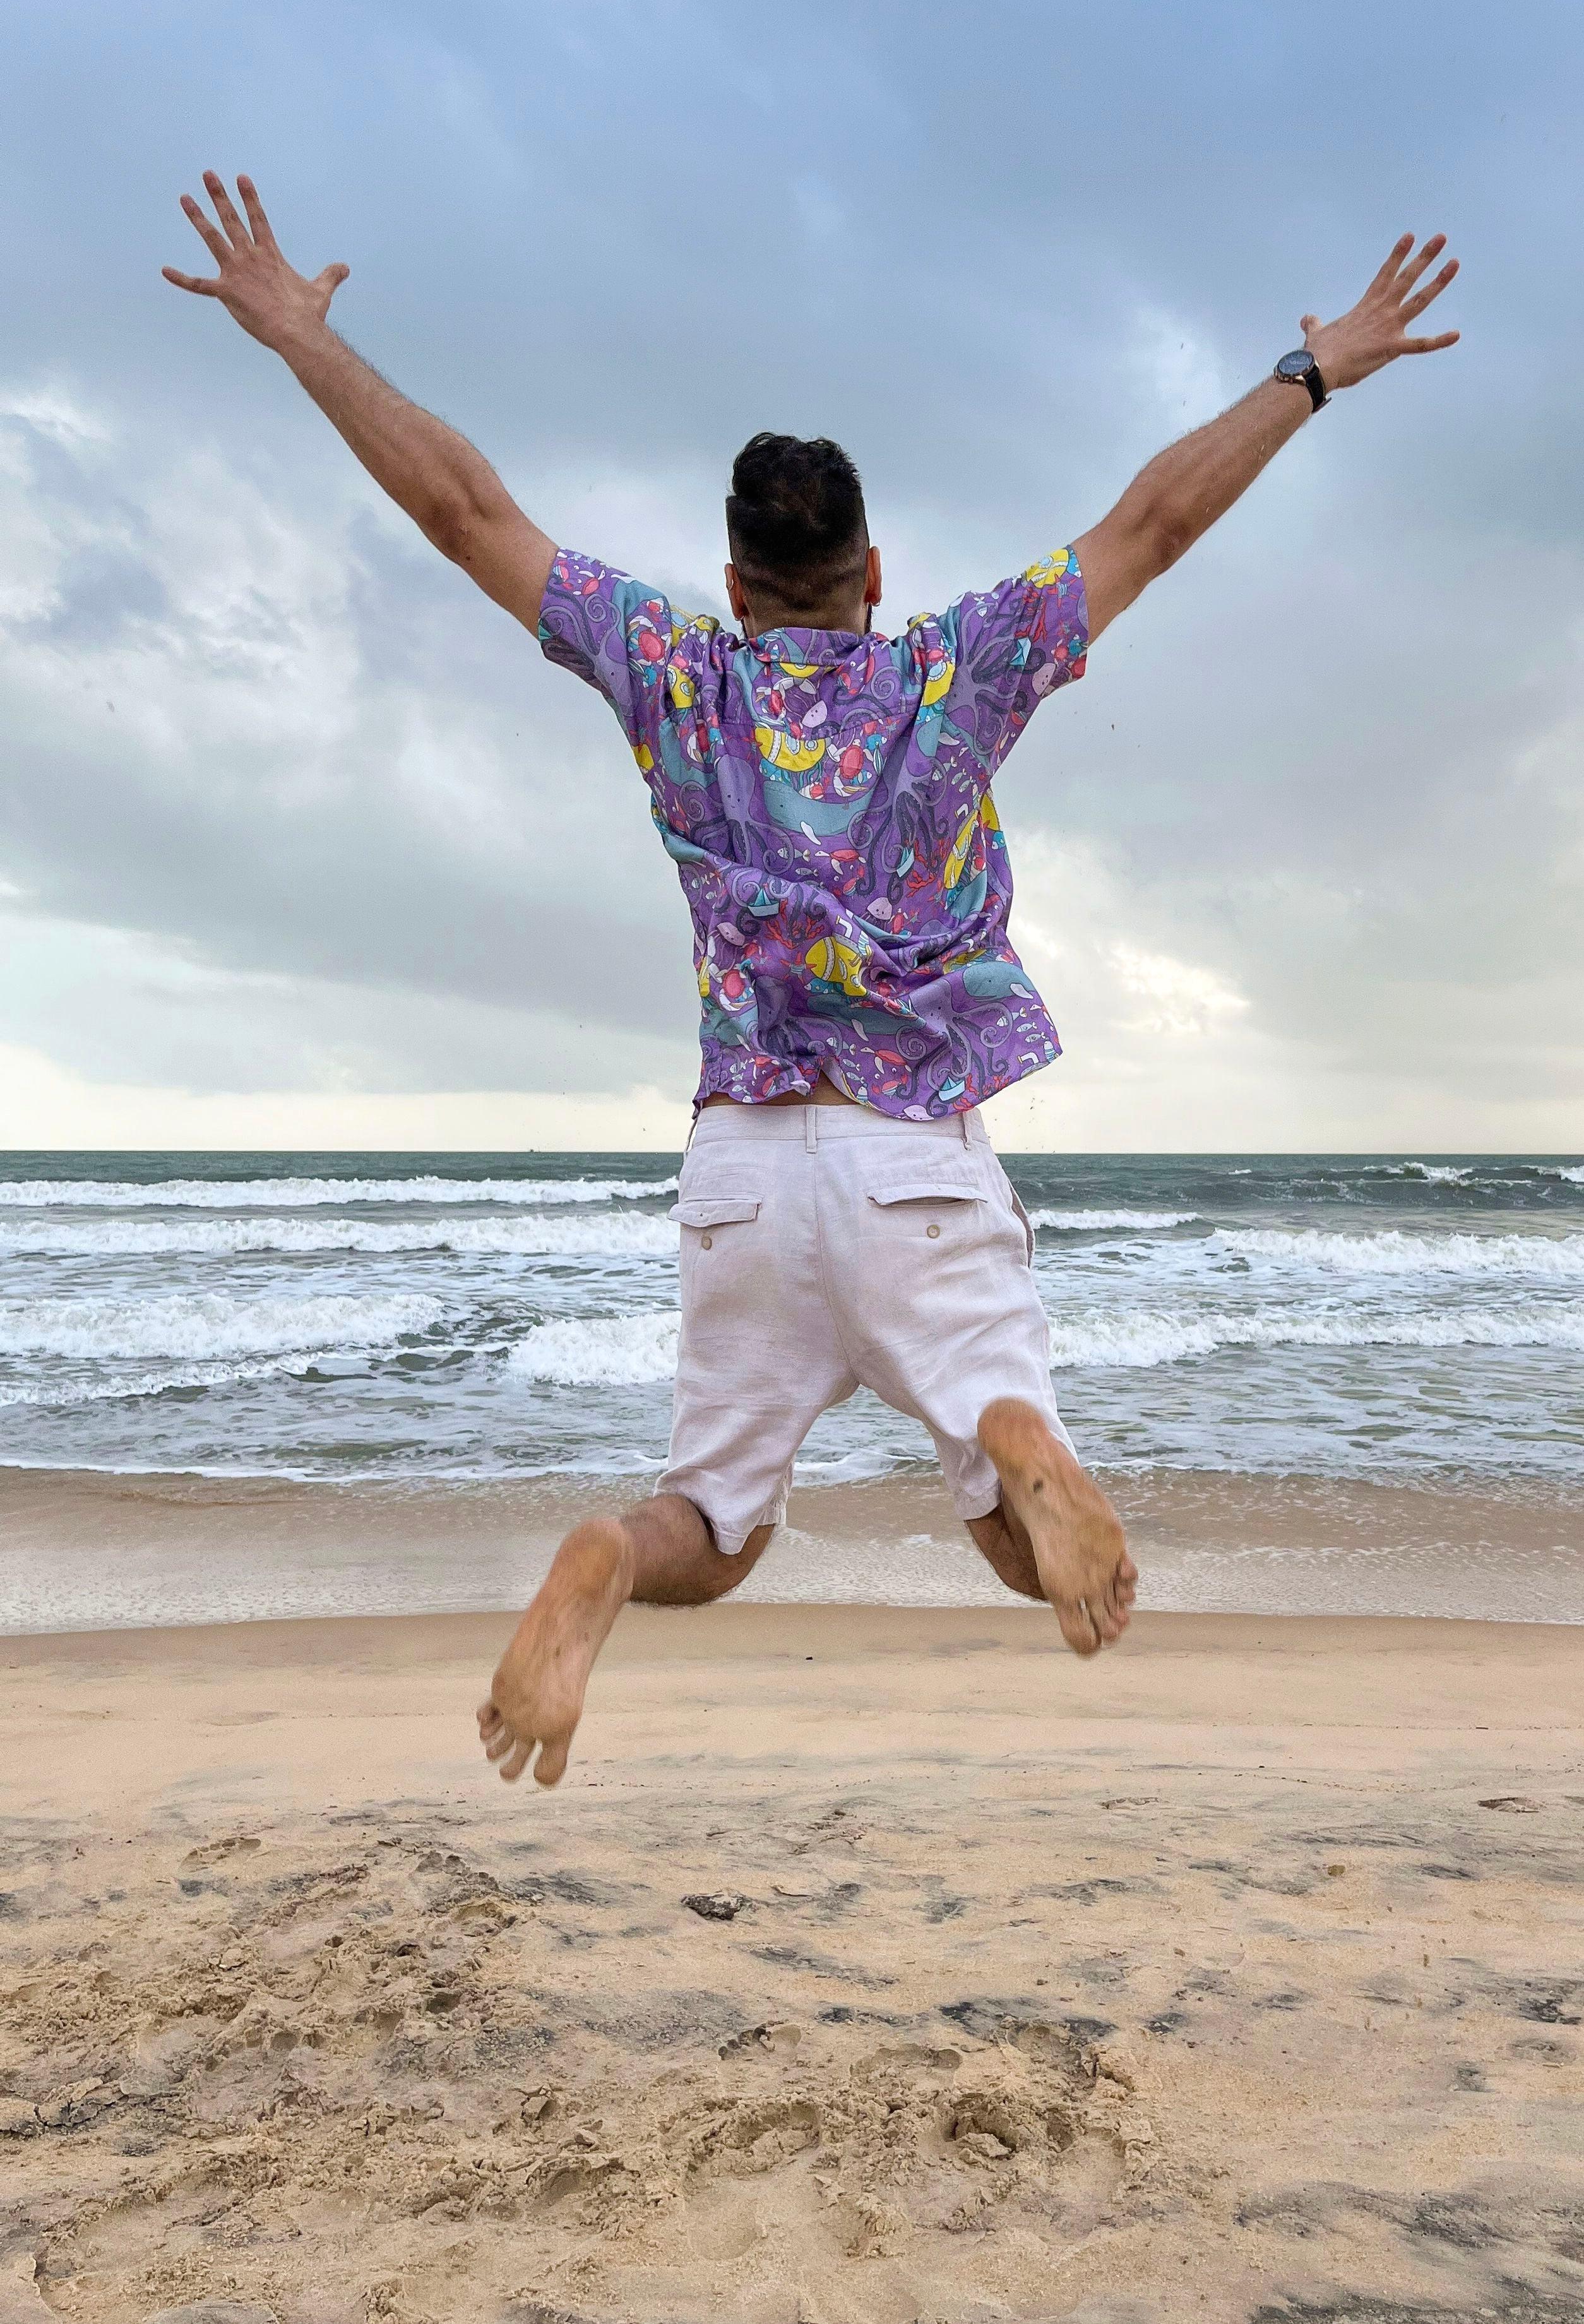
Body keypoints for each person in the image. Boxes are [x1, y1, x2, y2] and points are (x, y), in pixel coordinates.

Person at [165, 177, 1460, 1786]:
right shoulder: (952, 666)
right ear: (869, 568)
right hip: (912, 1158)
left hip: (742, 1177)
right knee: (1009, 1538)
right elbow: (1154, 524)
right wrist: (1310, 369)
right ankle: (1010, 1444)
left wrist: (301, 339)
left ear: (733, 572)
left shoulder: (673, 672)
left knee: (707, 1527)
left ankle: (606, 1566)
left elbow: (465, 513)